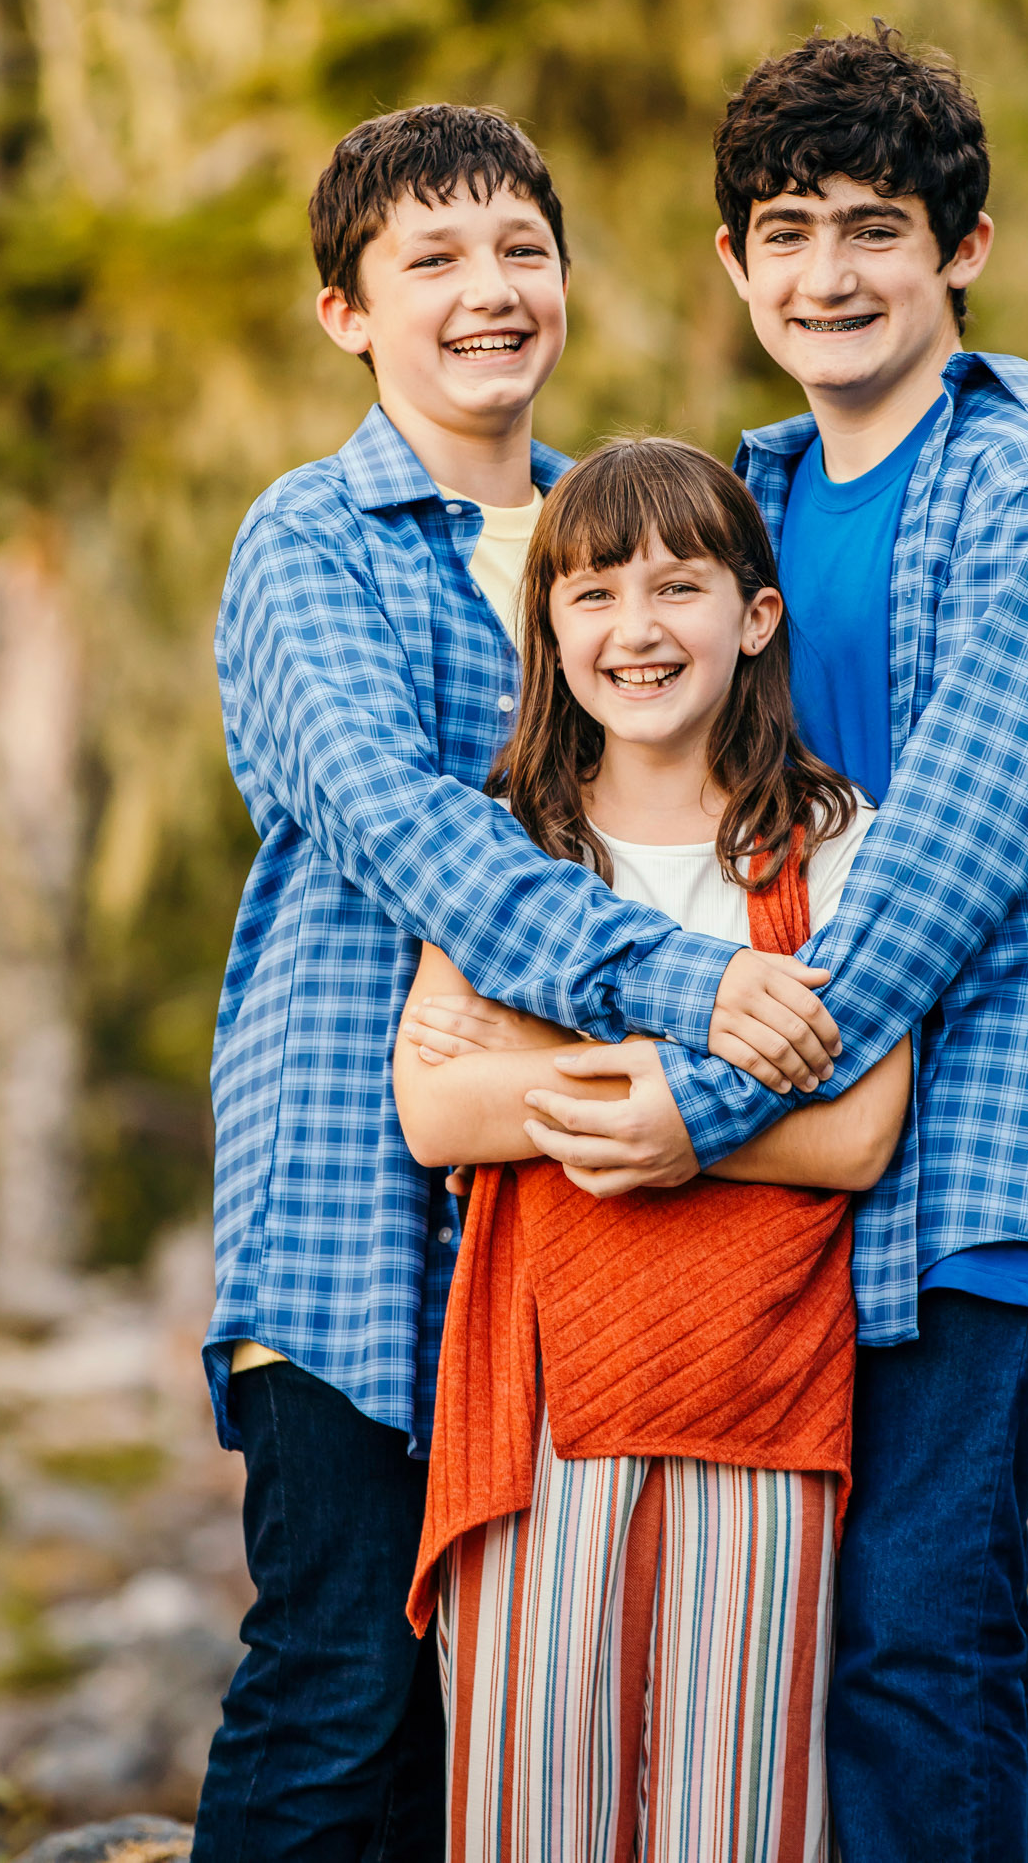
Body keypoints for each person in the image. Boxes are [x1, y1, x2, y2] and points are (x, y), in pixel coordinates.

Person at [517, 27, 1028, 1863]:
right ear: (733, 265)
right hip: (844, 1120)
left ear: (961, 250)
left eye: (876, 229)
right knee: (925, 1624)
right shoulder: (760, 501)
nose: (830, 275)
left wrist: (705, 1098)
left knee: (912, 1609)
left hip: (1014, 1106)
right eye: (788, 232)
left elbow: (947, 859)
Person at [193, 104, 842, 1863]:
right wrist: (690, 989)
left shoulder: (609, 542)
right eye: (433, 260)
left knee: (477, 1723)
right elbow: (411, 833)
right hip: (359, 1195)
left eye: (520, 252)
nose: (490, 291)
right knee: (338, 1680)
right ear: (346, 312)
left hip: (577, 1248)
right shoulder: (312, 542)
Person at [392, 437, 912, 1863]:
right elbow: (436, 1110)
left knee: (734, 1817)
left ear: (754, 618)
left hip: (760, 1394)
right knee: (527, 1809)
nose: (637, 630)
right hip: (541, 1404)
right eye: (595, 596)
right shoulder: (514, 847)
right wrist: (707, 1084)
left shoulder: (834, 844)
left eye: (680, 588)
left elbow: (859, 1131)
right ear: (550, 634)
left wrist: (547, 1076)